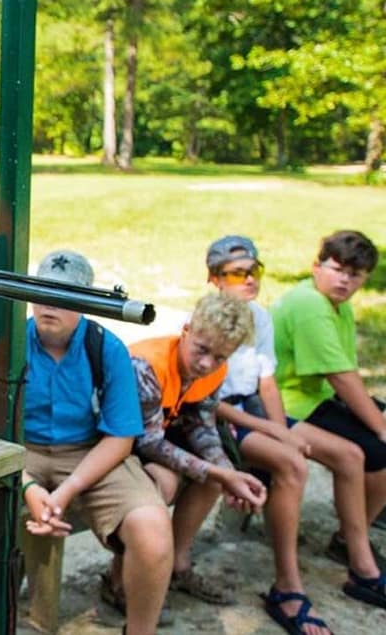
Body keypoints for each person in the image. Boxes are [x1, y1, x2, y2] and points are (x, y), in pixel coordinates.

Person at [0, 250, 173, 634]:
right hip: (15, 450)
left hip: (89, 452)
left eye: (65, 296)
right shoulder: (7, 342)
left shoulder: (106, 347)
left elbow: (120, 438)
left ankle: (141, 629)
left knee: (153, 531)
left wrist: (65, 492)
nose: (49, 304)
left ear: (86, 302)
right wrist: (27, 485)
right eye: (41, 291)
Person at [205, 235, 335, 634]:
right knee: (294, 463)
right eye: (236, 273)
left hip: (255, 411)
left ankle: (355, 554)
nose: (248, 280)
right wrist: (278, 437)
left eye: (254, 271)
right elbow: (209, 402)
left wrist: (281, 431)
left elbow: (268, 384)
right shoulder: (209, 316)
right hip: (223, 418)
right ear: (214, 279)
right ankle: (288, 585)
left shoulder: (259, 316)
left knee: (348, 455)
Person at [129, 292, 268, 607]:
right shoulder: (147, 364)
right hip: (117, 442)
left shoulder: (213, 370)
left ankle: (177, 565)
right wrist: (217, 470)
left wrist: (230, 475)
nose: (207, 364)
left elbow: (201, 424)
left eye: (220, 357)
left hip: (157, 434)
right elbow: (147, 442)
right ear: (187, 329)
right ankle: (121, 580)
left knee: (217, 477)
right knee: (163, 484)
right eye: (202, 350)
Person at [272, 230, 386, 610]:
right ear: (316, 267)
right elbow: (340, 376)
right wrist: (380, 426)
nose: (344, 280)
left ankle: (352, 535)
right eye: (337, 269)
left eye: (355, 274)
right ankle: (361, 565)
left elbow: (345, 373)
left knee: (377, 448)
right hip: (283, 403)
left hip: (312, 398)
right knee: (359, 452)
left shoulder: (340, 306)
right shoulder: (309, 304)